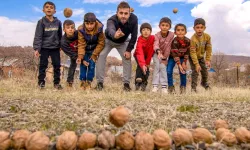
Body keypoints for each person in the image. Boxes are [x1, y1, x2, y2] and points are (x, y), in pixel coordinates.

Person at [95, 1, 138, 91]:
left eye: (126, 13)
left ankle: (126, 84)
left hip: (123, 42)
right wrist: (115, 34)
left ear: (130, 13)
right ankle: (99, 83)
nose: (123, 16)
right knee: (101, 55)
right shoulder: (111, 20)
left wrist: (128, 50)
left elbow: (134, 36)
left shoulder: (134, 19)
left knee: (127, 57)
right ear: (117, 13)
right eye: (121, 13)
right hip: (109, 40)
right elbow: (110, 29)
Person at [33, 1, 62, 90]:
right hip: (44, 47)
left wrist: (60, 45)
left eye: (51, 7)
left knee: (57, 66)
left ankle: (56, 84)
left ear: (54, 11)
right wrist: (37, 48)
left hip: (55, 48)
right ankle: (41, 83)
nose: (49, 8)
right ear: (43, 10)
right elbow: (38, 36)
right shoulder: (41, 22)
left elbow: (60, 35)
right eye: (47, 7)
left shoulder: (58, 22)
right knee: (43, 65)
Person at [76, 12, 105, 90]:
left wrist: (94, 54)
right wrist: (80, 56)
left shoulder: (99, 29)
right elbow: (81, 44)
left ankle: (89, 82)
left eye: (91, 24)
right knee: (83, 65)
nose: (89, 26)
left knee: (92, 66)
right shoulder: (81, 30)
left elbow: (101, 43)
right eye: (87, 24)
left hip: (94, 50)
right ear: (84, 23)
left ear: (95, 23)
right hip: (84, 50)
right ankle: (82, 81)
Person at [190, 18, 212, 92]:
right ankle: (193, 88)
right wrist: (196, 64)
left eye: (201, 27)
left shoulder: (207, 37)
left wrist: (208, 59)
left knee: (204, 71)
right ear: (194, 28)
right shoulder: (193, 39)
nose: (199, 29)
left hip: (201, 56)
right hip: (193, 57)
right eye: (197, 27)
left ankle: (204, 83)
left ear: (204, 28)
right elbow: (192, 53)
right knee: (195, 72)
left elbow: (208, 49)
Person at [152, 17, 174, 93]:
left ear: (170, 27)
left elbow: (169, 47)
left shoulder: (171, 35)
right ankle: (155, 86)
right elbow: (155, 44)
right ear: (159, 26)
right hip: (156, 53)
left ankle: (164, 87)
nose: (164, 27)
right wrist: (158, 51)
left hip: (165, 55)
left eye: (167, 25)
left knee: (163, 68)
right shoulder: (157, 35)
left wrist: (165, 58)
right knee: (157, 67)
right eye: (163, 25)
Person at [167, 23, 190, 94]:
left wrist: (184, 63)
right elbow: (175, 54)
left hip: (182, 57)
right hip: (173, 57)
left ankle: (183, 88)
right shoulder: (174, 41)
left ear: (185, 32)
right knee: (168, 71)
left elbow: (187, 52)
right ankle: (171, 87)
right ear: (175, 32)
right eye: (178, 30)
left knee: (183, 72)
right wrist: (179, 65)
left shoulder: (188, 41)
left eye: (182, 30)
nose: (180, 32)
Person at [133, 23, 155, 91]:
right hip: (138, 55)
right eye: (143, 30)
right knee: (140, 66)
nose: (146, 31)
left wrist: (147, 63)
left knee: (146, 69)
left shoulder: (153, 38)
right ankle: (138, 81)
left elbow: (151, 51)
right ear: (141, 32)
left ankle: (144, 83)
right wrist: (143, 64)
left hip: (147, 56)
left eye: (148, 30)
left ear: (150, 32)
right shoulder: (140, 40)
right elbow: (140, 53)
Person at [61, 20, 78, 87]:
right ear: (64, 29)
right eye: (68, 28)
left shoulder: (78, 33)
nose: (70, 29)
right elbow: (71, 54)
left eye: (72, 27)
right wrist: (79, 58)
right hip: (73, 53)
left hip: (82, 50)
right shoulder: (63, 42)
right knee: (73, 65)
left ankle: (85, 82)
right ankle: (69, 82)